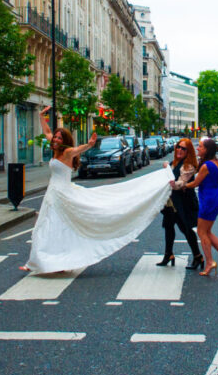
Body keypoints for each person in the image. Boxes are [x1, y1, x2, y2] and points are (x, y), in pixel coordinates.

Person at [23, 106, 173, 274]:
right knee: (46, 225)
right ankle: (41, 260)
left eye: (59, 137)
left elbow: (78, 149)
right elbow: (47, 131)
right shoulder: (55, 149)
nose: (55, 139)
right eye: (55, 137)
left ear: (64, 140)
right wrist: (41, 116)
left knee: (55, 224)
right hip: (53, 193)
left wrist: (89, 145)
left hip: (63, 194)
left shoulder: (66, 152)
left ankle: (53, 260)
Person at [183, 137, 218, 276]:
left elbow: (194, 184)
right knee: (207, 232)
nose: (197, 148)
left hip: (209, 203)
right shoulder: (215, 162)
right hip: (216, 201)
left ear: (207, 150)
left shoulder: (206, 166)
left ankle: (210, 262)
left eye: (200, 147)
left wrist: (181, 185)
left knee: (201, 232)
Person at [158, 138, 203, 270]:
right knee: (168, 227)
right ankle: (168, 255)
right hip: (171, 202)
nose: (179, 150)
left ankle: (197, 256)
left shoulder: (188, 166)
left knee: (186, 229)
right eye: (178, 147)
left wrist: (173, 183)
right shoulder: (173, 163)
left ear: (188, 151)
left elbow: (181, 182)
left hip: (184, 203)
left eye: (183, 148)